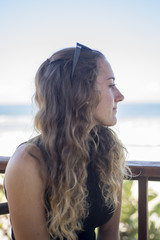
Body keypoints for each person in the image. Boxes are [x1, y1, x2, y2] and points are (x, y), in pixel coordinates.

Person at [4, 43, 129, 240]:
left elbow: (109, 233)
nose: (120, 96)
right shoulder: (28, 162)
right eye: (111, 85)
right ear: (82, 93)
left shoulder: (107, 151)